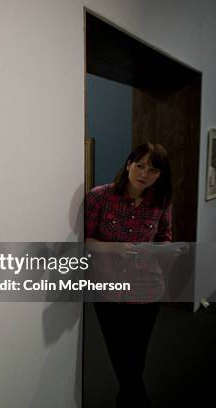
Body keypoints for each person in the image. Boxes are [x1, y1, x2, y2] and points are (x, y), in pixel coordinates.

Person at [84, 143, 173, 408]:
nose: (144, 173)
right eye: (140, 165)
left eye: (153, 169)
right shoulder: (99, 197)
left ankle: (131, 396)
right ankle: (135, 397)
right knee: (117, 348)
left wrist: (166, 251)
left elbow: (164, 237)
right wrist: (114, 248)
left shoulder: (162, 201)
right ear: (128, 164)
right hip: (107, 285)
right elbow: (85, 240)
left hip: (147, 286)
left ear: (160, 175)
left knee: (137, 350)